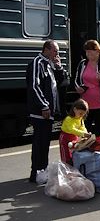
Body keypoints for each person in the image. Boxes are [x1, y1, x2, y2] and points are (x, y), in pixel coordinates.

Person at [26, 39, 69, 183]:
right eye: (55, 50)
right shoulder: (37, 63)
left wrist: (58, 68)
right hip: (40, 112)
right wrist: (44, 105)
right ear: (46, 49)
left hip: (49, 111)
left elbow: (62, 84)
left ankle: (41, 171)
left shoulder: (49, 64)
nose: (57, 54)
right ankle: (37, 172)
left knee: (44, 143)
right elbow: (34, 86)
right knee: (40, 142)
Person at [59, 99, 91, 165]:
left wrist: (86, 133)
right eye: (80, 113)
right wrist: (83, 134)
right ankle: (66, 170)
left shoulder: (80, 118)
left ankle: (73, 170)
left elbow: (82, 127)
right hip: (65, 138)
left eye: (83, 114)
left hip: (74, 138)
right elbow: (71, 129)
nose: (81, 115)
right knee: (66, 156)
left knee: (73, 155)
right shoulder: (69, 119)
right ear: (75, 109)